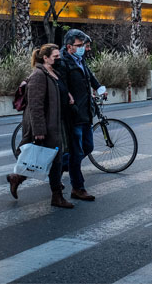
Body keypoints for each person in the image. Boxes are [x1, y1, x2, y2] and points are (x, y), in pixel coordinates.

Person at [7, 43, 74, 209]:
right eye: (56, 57)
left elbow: (57, 94)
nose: (59, 59)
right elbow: (35, 105)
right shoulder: (39, 75)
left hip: (57, 123)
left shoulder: (53, 73)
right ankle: (56, 196)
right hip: (47, 125)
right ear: (45, 58)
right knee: (55, 160)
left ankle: (17, 178)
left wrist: (68, 97)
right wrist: (39, 131)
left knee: (50, 160)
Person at [54, 29, 106, 202]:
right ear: (69, 47)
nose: (84, 48)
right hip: (74, 115)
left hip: (85, 113)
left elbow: (89, 75)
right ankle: (78, 187)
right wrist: (72, 103)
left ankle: (57, 168)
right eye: (80, 45)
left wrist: (99, 88)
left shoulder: (79, 59)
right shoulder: (63, 63)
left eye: (83, 44)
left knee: (88, 147)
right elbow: (63, 88)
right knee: (77, 153)